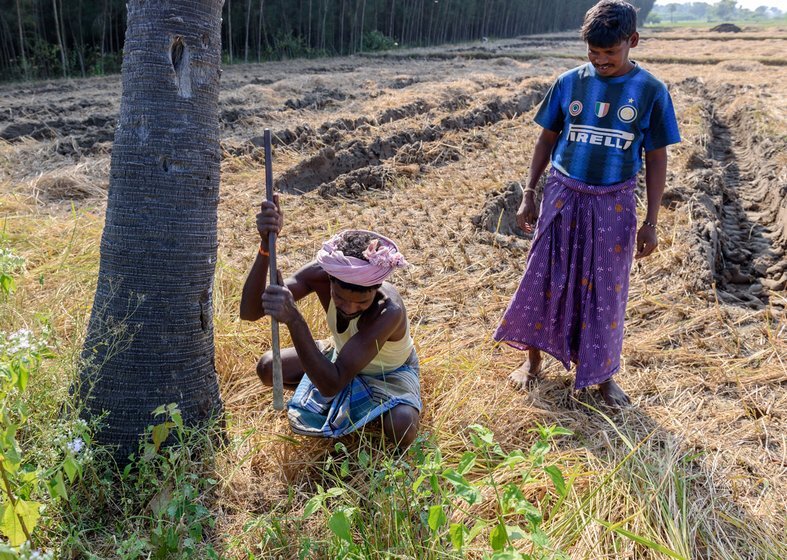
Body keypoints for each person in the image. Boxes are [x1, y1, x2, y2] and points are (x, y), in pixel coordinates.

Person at [493, 0, 680, 407]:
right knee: (543, 277)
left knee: (606, 290)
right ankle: (533, 362)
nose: (600, 61)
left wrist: (651, 221)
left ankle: (602, 377)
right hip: (563, 194)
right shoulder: (569, 82)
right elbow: (546, 139)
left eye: (609, 53)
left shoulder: (650, 91)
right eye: (592, 53)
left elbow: (657, 157)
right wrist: (529, 194)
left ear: (632, 41)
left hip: (613, 202)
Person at [240, 197, 421, 447]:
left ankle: (372, 411)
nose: (349, 308)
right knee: (268, 367)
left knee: (401, 427)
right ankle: (354, 406)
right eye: (340, 298)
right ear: (330, 280)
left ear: (376, 289)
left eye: (360, 303)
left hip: (388, 373)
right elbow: (250, 311)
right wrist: (265, 245)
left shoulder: (388, 311)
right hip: (341, 356)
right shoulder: (320, 275)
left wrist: (294, 319)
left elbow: (331, 385)